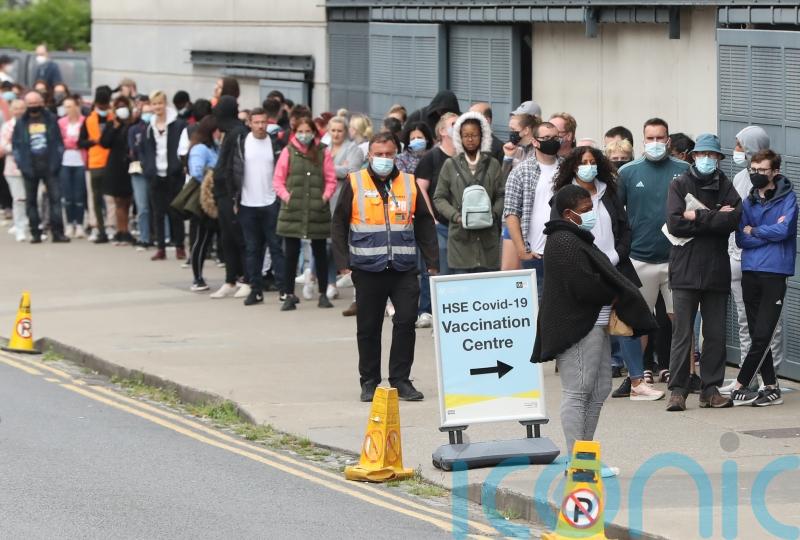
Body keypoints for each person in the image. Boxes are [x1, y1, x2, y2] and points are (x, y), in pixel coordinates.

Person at [532, 184, 656, 468]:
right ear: (568, 213)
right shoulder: (563, 240)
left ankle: (585, 457)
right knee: (577, 392)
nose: (592, 216)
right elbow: (585, 286)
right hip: (575, 327)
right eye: (586, 211)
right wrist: (616, 292)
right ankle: (579, 462)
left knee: (599, 388)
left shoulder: (576, 237)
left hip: (594, 324)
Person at [331, 132, 439, 402]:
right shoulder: (355, 182)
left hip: (403, 268)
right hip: (367, 269)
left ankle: (401, 380)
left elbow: (425, 222)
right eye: (379, 154)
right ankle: (369, 381)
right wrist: (343, 263)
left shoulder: (409, 183)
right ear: (369, 155)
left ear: (396, 154)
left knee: (405, 322)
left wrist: (432, 262)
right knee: (368, 327)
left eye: (389, 154)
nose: (384, 159)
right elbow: (339, 223)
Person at [553, 146, 664, 401]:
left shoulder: (608, 192)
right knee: (591, 327)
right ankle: (587, 382)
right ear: (573, 166)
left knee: (626, 321)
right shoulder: (563, 195)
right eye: (584, 162)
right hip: (585, 269)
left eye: (593, 161)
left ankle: (637, 380)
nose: (589, 167)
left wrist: (617, 255)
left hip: (616, 266)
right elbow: (559, 234)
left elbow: (625, 228)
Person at [664, 133, 741, 411]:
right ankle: (677, 390)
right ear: (693, 156)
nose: (707, 160)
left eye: (712, 156)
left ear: (719, 159)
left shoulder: (726, 185)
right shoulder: (679, 184)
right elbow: (674, 223)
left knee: (716, 334)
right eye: (702, 154)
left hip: (716, 270)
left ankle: (711, 389)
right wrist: (715, 215)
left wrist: (696, 215)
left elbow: (733, 220)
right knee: (682, 333)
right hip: (685, 268)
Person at [617, 118, 689, 381]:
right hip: (640, 258)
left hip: (677, 258)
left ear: (668, 140)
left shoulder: (684, 169)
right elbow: (617, 215)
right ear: (643, 139)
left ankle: (684, 374)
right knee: (638, 322)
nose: (656, 143)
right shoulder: (627, 172)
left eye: (661, 138)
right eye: (651, 138)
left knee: (682, 321)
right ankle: (636, 376)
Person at [731, 150, 797, 407]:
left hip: (775, 272)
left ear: (775, 172)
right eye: (753, 170)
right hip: (750, 271)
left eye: (762, 170)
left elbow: (784, 230)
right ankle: (771, 386)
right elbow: (740, 237)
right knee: (759, 331)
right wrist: (762, 233)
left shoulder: (788, 199)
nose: (756, 174)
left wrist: (756, 230)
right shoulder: (748, 202)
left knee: (763, 333)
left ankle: (741, 383)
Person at [725, 126, 784, 384]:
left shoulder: (776, 186)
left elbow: (777, 227)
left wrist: (753, 231)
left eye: (740, 145)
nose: (736, 150)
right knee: (745, 321)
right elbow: (738, 222)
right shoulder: (739, 178)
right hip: (737, 258)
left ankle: (770, 378)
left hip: (765, 263)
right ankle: (747, 373)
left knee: (770, 326)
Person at [274, 115, 337, 310]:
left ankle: (323, 293)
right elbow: (278, 180)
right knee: (291, 253)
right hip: (293, 209)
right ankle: (289, 294)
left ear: (314, 132)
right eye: (300, 132)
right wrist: (287, 197)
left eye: (307, 131)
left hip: (317, 209)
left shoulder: (322, 152)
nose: (304, 135)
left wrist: (325, 197)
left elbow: (331, 178)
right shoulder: (288, 151)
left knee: (320, 252)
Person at [226, 108, 285, 305]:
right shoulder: (241, 144)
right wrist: (234, 199)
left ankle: (284, 290)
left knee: (276, 247)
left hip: (270, 202)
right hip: (247, 204)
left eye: (264, 122)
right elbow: (231, 171)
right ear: (249, 123)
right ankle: (255, 289)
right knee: (252, 249)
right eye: (257, 122)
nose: (260, 126)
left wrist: (280, 199)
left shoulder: (275, 144)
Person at [433, 111, 504, 273]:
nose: (470, 139)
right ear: (459, 137)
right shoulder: (450, 165)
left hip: (488, 238)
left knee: (487, 292)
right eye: (466, 135)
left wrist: (493, 214)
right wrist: (456, 216)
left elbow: (501, 194)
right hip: (460, 239)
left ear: (483, 136)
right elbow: (439, 197)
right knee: (462, 288)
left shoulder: (492, 164)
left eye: (474, 135)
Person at [502, 121, 562, 294]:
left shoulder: (567, 169)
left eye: (556, 137)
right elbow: (511, 213)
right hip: (535, 253)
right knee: (538, 305)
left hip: (564, 251)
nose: (552, 141)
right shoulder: (520, 172)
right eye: (547, 138)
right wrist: (522, 250)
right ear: (535, 141)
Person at [12, 90, 67, 243]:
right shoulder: (21, 122)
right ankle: (35, 233)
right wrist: (20, 164)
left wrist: (58, 160)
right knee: (31, 202)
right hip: (29, 167)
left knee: (55, 200)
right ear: (26, 105)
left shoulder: (50, 119)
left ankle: (58, 233)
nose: (33, 106)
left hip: (50, 166)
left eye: (36, 103)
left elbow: (58, 142)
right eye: (30, 104)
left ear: (41, 103)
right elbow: (16, 145)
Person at [209, 95, 249, 299]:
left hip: (232, 193)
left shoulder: (239, 132)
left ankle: (246, 279)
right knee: (227, 238)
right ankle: (230, 279)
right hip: (223, 192)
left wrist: (235, 194)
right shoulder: (230, 132)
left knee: (239, 237)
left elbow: (238, 167)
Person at [141, 90, 188, 260]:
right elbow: (145, 150)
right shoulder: (149, 126)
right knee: (158, 212)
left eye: (160, 103)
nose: (157, 107)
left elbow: (183, 147)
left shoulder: (178, 124)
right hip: (156, 174)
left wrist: (179, 166)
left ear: (165, 103)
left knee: (175, 211)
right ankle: (160, 247)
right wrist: (147, 167)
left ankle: (179, 246)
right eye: (154, 104)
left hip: (173, 173)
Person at [185, 115, 219, 292]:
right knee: (202, 238)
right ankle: (197, 277)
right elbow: (197, 171)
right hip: (203, 198)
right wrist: (213, 174)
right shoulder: (200, 148)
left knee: (207, 238)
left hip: (213, 198)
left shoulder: (213, 147)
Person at [79, 85, 114, 243]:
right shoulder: (89, 120)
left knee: (112, 198)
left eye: (105, 105)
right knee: (96, 199)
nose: (103, 108)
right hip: (95, 163)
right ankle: (99, 229)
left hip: (112, 163)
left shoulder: (114, 118)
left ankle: (111, 226)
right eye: (101, 106)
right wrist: (93, 142)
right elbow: (80, 142)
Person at [100, 96, 134, 245]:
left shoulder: (133, 124)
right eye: (118, 106)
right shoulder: (111, 124)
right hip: (115, 165)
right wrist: (114, 127)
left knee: (128, 200)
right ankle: (121, 231)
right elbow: (105, 143)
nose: (122, 108)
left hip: (130, 164)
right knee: (119, 200)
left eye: (124, 106)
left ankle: (126, 229)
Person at [57, 95, 86, 238]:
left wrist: (73, 141)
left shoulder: (84, 121)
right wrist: (71, 141)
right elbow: (61, 141)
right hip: (65, 161)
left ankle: (80, 224)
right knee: (67, 195)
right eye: (65, 106)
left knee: (79, 194)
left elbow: (83, 140)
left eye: (69, 106)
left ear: (76, 106)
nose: (67, 109)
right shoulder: (61, 122)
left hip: (80, 160)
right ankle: (69, 223)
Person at [1, 99, 28, 241]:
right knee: (18, 199)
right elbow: (4, 145)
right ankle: (20, 227)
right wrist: (19, 148)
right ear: (11, 110)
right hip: (13, 169)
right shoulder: (7, 126)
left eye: (22, 108)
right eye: (16, 108)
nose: (19, 111)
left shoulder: (31, 124)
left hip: (31, 168)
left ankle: (33, 224)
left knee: (34, 198)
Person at [128, 97, 152, 249]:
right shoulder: (134, 129)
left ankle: (166, 237)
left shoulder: (159, 129)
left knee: (159, 207)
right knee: (142, 207)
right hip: (139, 169)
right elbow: (133, 150)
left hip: (156, 169)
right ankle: (144, 237)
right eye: (146, 112)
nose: (148, 115)